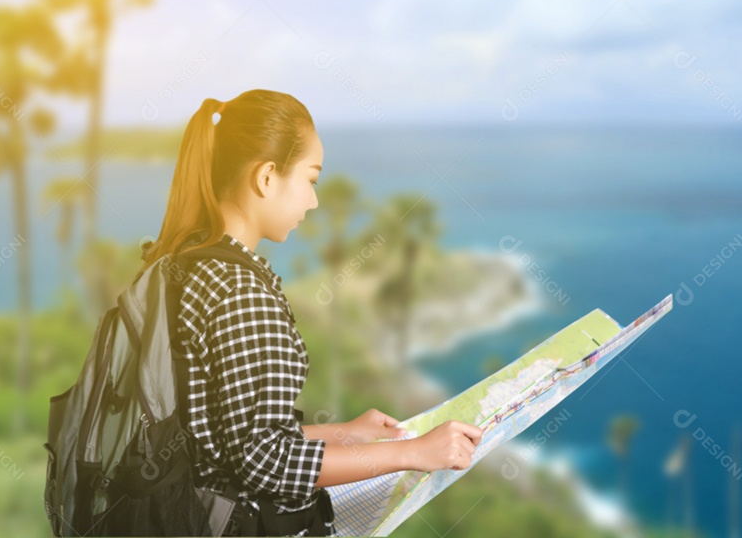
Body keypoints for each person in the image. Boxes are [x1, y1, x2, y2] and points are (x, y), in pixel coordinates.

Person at [137, 89, 483, 536]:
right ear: (266, 178)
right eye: (311, 179)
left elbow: (223, 439)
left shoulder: (185, 264)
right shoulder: (241, 293)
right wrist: (414, 452)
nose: (314, 201)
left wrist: (342, 434)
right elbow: (264, 464)